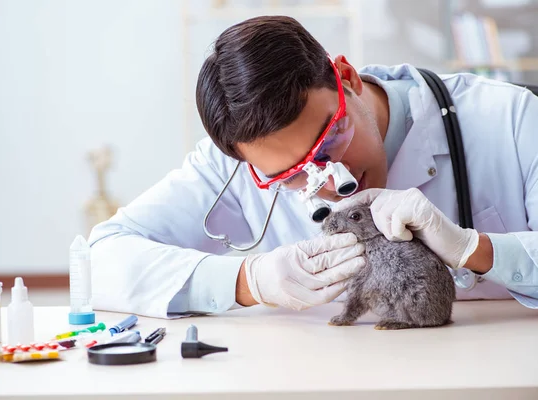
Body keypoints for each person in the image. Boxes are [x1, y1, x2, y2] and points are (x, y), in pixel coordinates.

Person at [87, 15, 538, 318]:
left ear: (346, 78)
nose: (329, 185)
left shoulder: (509, 119)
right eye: (292, 176)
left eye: (331, 141)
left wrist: (475, 250)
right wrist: (249, 281)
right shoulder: (238, 167)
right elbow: (102, 259)